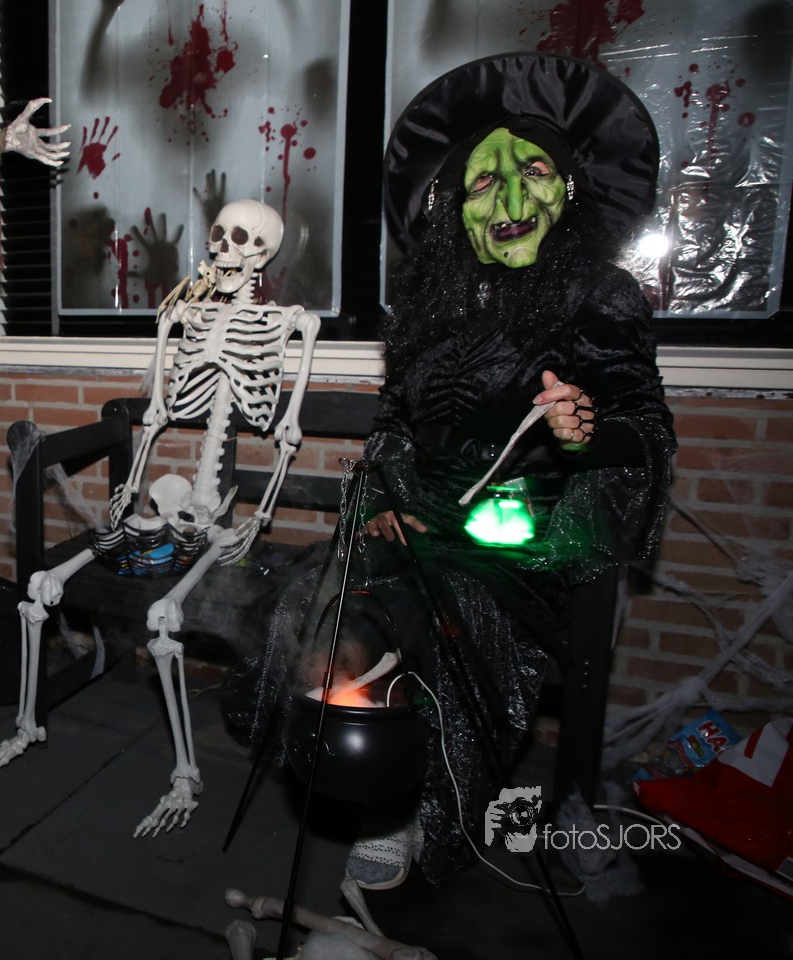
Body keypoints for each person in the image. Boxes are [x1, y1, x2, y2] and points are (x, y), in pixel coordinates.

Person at [335, 53, 678, 889]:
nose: (512, 200)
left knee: (440, 607)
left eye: (534, 174)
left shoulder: (600, 295)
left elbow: (645, 427)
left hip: (530, 539)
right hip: (424, 519)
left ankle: (420, 807)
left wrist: (585, 428)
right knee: (330, 601)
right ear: (456, 205)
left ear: (568, 190)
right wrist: (384, 501)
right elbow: (394, 424)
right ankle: (367, 774)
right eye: (485, 184)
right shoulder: (429, 302)